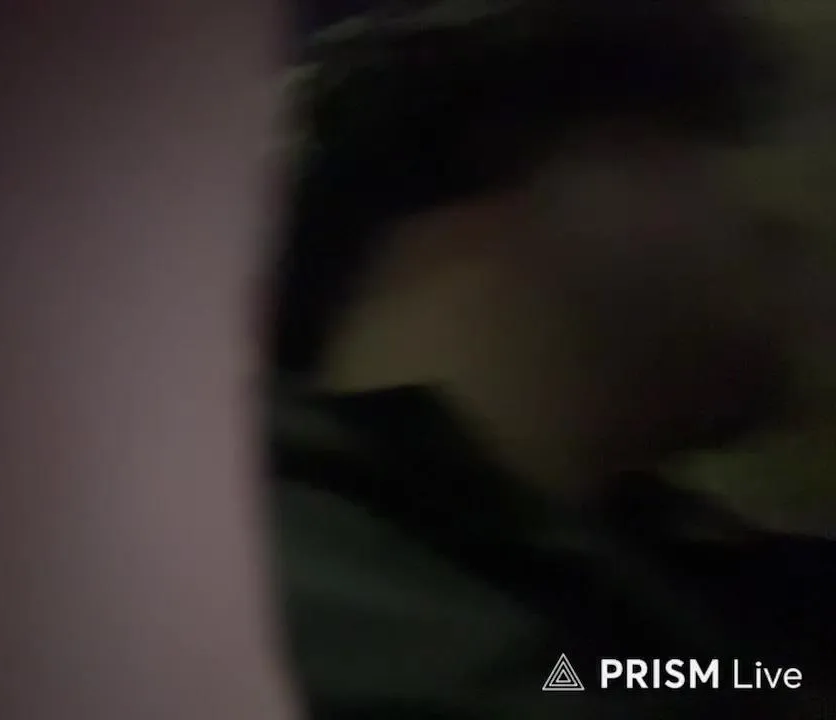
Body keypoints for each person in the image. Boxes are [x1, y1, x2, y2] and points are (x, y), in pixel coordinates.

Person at [269, 0, 834, 716]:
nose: (773, 220)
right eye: (699, 139)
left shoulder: (659, 576)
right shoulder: (329, 617)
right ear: (490, 153)